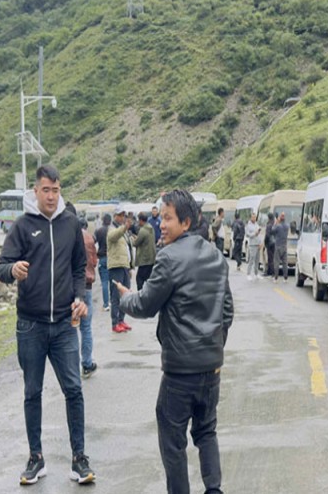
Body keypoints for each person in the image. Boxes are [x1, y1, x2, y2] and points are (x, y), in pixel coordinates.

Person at [114, 189, 233, 494]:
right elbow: (227, 311)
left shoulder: (168, 257)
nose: (162, 225)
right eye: (162, 218)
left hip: (180, 372)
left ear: (186, 222)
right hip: (211, 369)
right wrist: (213, 346)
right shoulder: (216, 256)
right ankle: (214, 489)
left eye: (167, 218)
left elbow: (145, 305)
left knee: (173, 442)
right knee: (206, 432)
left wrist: (125, 298)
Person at [0, 165, 95, 486]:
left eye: (56, 190)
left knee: (74, 390)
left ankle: (79, 458)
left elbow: (79, 267)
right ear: (36, 191)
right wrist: (13, 270)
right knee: (32, 392)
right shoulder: (23, 226)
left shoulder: (70, 224)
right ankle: (36, 458)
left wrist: (79, 297)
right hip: (31, 325)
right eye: (46, 190)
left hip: (64, 324)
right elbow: (1, 266)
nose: (51, 196)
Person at [107, 207, 134, 333]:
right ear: (115, 216)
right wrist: (124, 227)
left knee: (125, 294)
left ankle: (121, 319)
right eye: (120, 215)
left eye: (123, 215)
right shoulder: (112, 229)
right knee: (115, 296)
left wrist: (130, 266)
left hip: (124, 266)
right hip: (116, 266)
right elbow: (113, 236)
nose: (122, 217)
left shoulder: (125, 232)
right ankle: (115, 322)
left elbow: (129, 249)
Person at [79, 217, 98, 379]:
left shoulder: (66, 235)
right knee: (86, 327)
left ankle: (70, 366)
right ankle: (86, 364)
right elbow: (94, 261)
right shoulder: (89, 238)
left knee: (69, 328)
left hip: (68, 286)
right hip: (86, 285)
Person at [134, 212, 157, 290]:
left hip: (144, 259)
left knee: (139, 279)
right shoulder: (151, 228)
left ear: (141, 220)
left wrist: (132, 239)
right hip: (151, 258)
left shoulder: (143, 230)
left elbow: (135, 243)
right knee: (148, 279)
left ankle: (141, 295)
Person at [94, 214, 111, 312]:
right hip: (112, 258)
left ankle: (106, 304)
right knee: (113, 281)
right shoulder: (112, 231)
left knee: (104, 282)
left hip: (102, 258)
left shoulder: (98, 231)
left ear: (103, 220)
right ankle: (112, 301)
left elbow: (93, 242)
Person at [271, 212, 289, 282]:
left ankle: (276, 278)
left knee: (276, 262)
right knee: (285, 263)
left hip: (278, 246)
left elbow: (272, 230)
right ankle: (285, 278)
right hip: (284, 246)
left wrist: (275, 223)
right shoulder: (287, 226)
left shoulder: (278, 226)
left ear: (279, 218)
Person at [245, 212, 262, 280]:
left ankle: (256, 273)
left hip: (258, 244)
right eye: (253, 217)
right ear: (250, 218)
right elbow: (247, 234)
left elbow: (259, 235)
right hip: (252, 244)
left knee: (257, 260)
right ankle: (248, 274)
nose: (254, 218)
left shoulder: (257, 224)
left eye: (255, 217)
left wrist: (260, 243)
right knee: (251, 259)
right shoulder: (248, 225)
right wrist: (254, 234)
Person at [264, 212, 276, 277]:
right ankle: (269, 271)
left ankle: (272, 272)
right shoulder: (274, 224)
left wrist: (265, 242)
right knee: (271, 257)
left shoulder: (269, 225)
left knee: (270, 258)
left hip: (270, 243)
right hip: (274, 242)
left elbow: (267, 235)